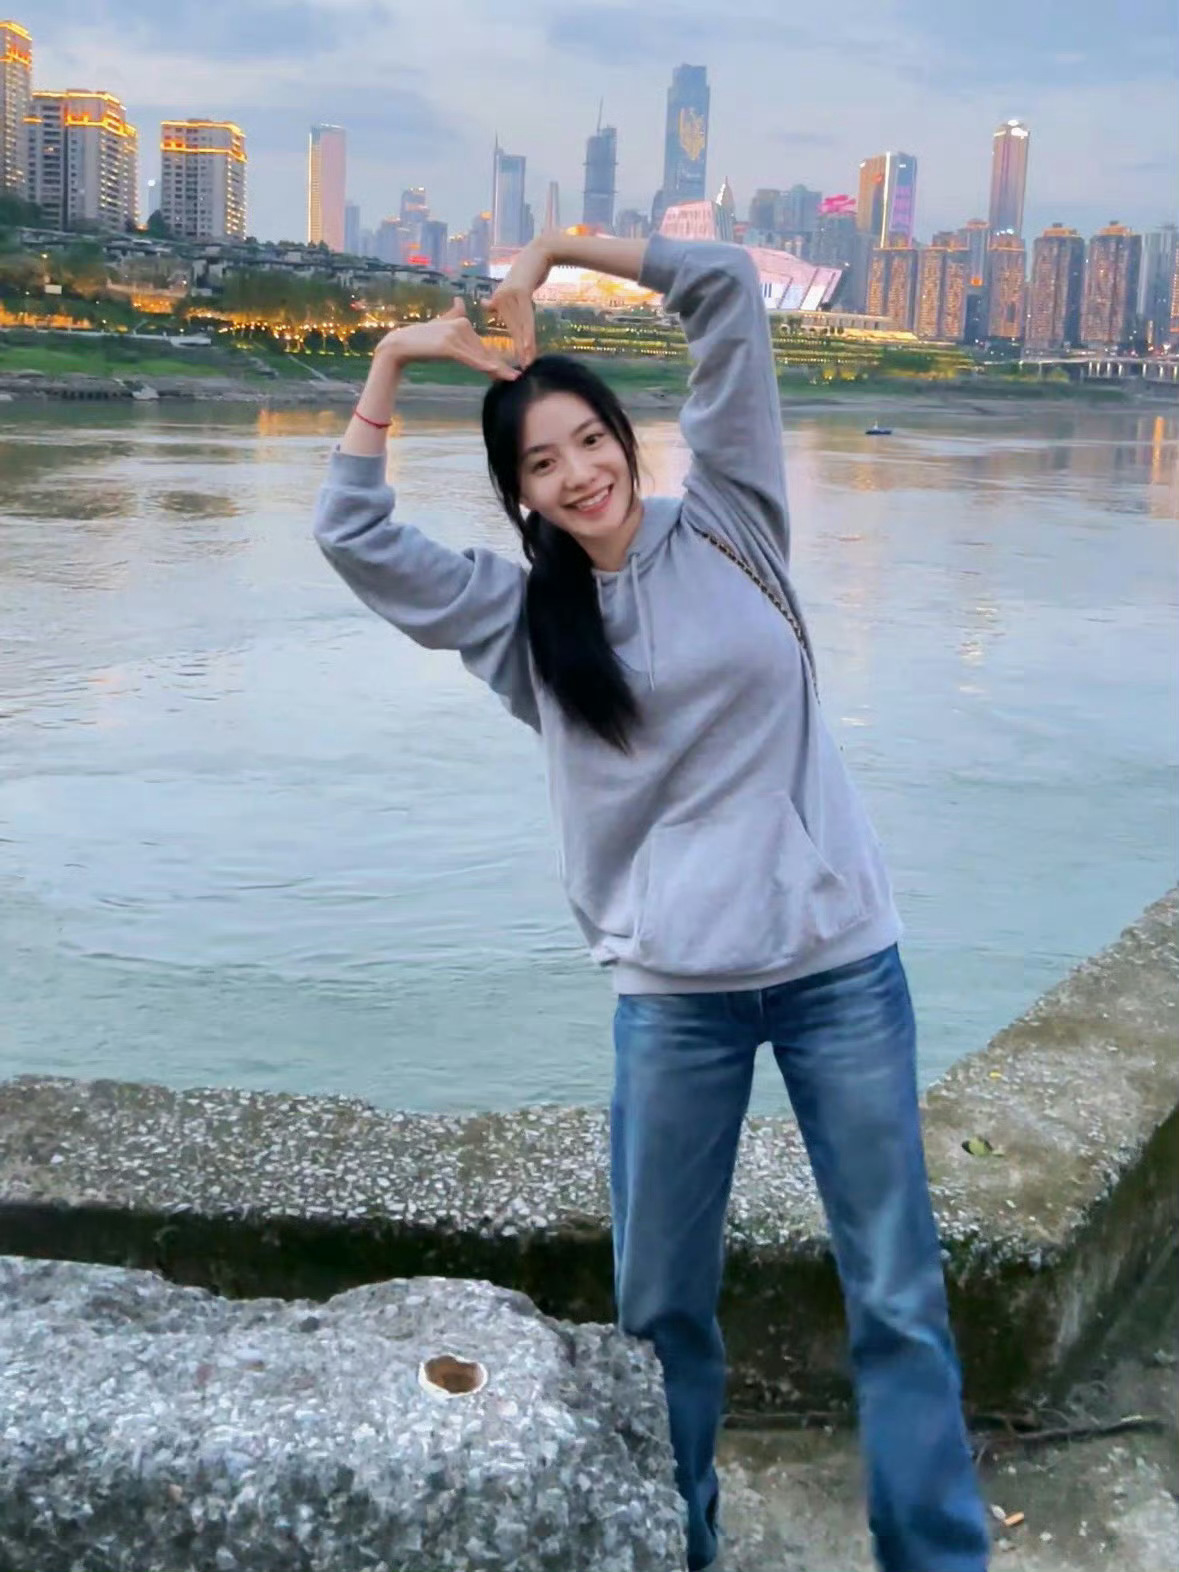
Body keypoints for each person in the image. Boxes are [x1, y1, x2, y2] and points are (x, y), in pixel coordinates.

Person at [312, 231, 991, 1572]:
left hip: (841, 967)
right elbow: (353, 533)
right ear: (518, 495)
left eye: (589, 440)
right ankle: (679, 1547)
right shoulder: (521, 623)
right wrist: (393, 360)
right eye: (540, 465)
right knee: (664, 1314)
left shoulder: (733, 518)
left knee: (898, 1294)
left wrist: (560, 249)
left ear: (626, 436)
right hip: (675, 1000)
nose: (578, 474)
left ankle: (934, 1555)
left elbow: (726, 289)